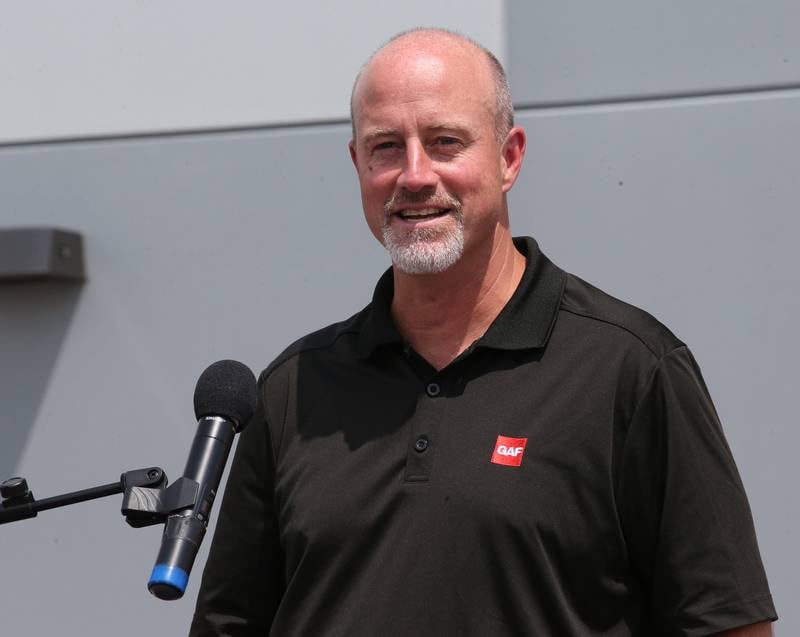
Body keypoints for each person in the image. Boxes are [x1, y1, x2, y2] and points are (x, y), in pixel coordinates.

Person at [189, 28, 777, 636]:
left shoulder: (632, 371)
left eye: (445, 143)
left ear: (509, 157)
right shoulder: (292, 391)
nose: (414, 176)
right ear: (357, 164)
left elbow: (728, 627)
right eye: (386, 147)